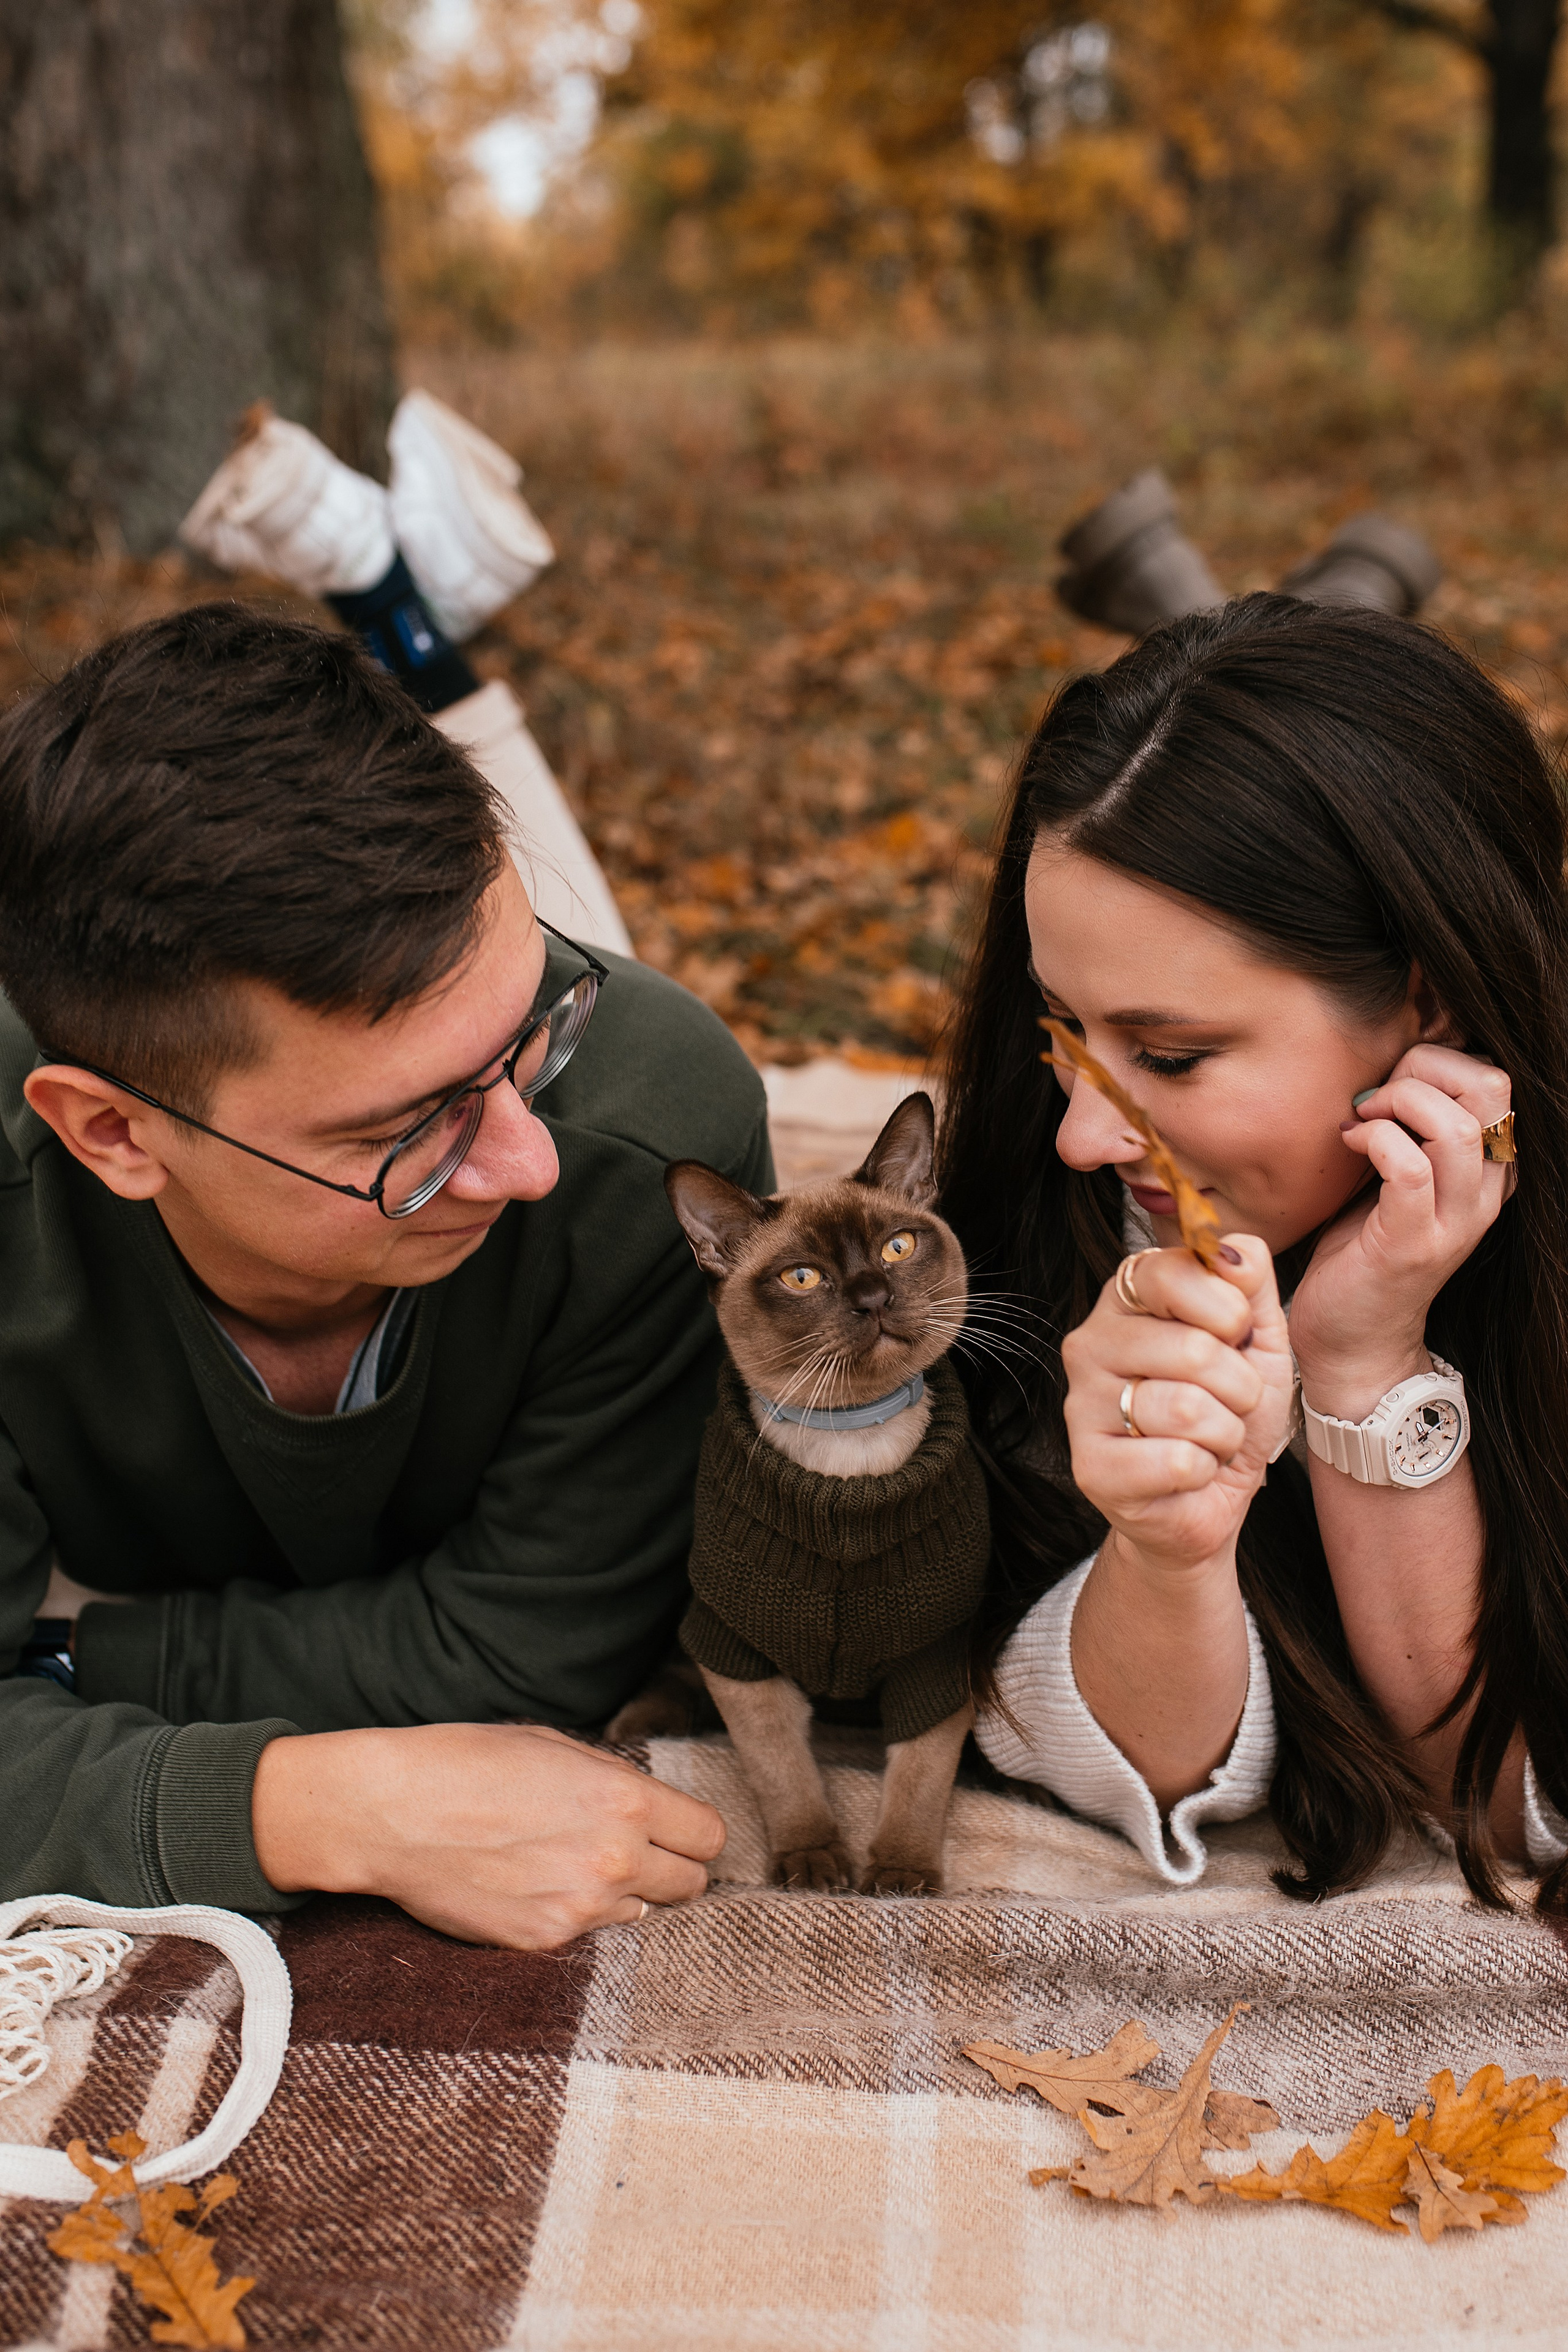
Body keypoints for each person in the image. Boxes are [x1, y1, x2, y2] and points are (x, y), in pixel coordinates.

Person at [0, 600, 763, 1946]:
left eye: (531, 1030)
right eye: (405, 1132)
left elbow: (531, 1646)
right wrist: (315, 1808)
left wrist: (64, 1662)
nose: (525, 1164)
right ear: (112, 1133)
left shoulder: (650, 1125)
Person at [940, 593, 1568, 1912]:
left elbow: (1508, 1796)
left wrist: (1359, 1361)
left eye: (1170, 1056)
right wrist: (1162, 1547)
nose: (1080, 1139)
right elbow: (1118, 1766)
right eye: (1063, 1033)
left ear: (1426, 996)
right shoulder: (1057, 1195)